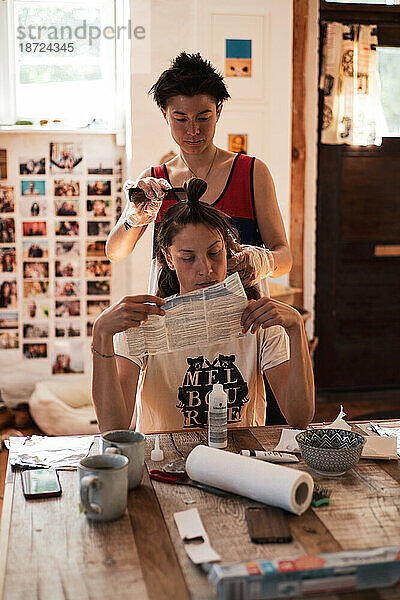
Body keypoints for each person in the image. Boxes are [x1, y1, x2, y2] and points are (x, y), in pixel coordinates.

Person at [92, 179, 314, 434]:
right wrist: (101, 334)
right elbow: (113, 427)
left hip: (240, 460)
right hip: (167, 461)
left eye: (214, 253)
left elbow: (300, 418)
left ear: (228, 250)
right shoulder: (144, 324)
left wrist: (296, 328)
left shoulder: (257, 321)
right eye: (188, 258)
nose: (205, 269)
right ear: (169, 258)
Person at [106, 52, 292, 295]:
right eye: (180, 118)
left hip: (242, 318)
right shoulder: (156, 180)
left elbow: (285, 259)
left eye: (203, 117)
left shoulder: (251, 172)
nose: (193, 130)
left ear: (218, 111)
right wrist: (135, 217)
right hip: (177, 319)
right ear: (165, 114)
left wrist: (263, 262)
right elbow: (115, 252)